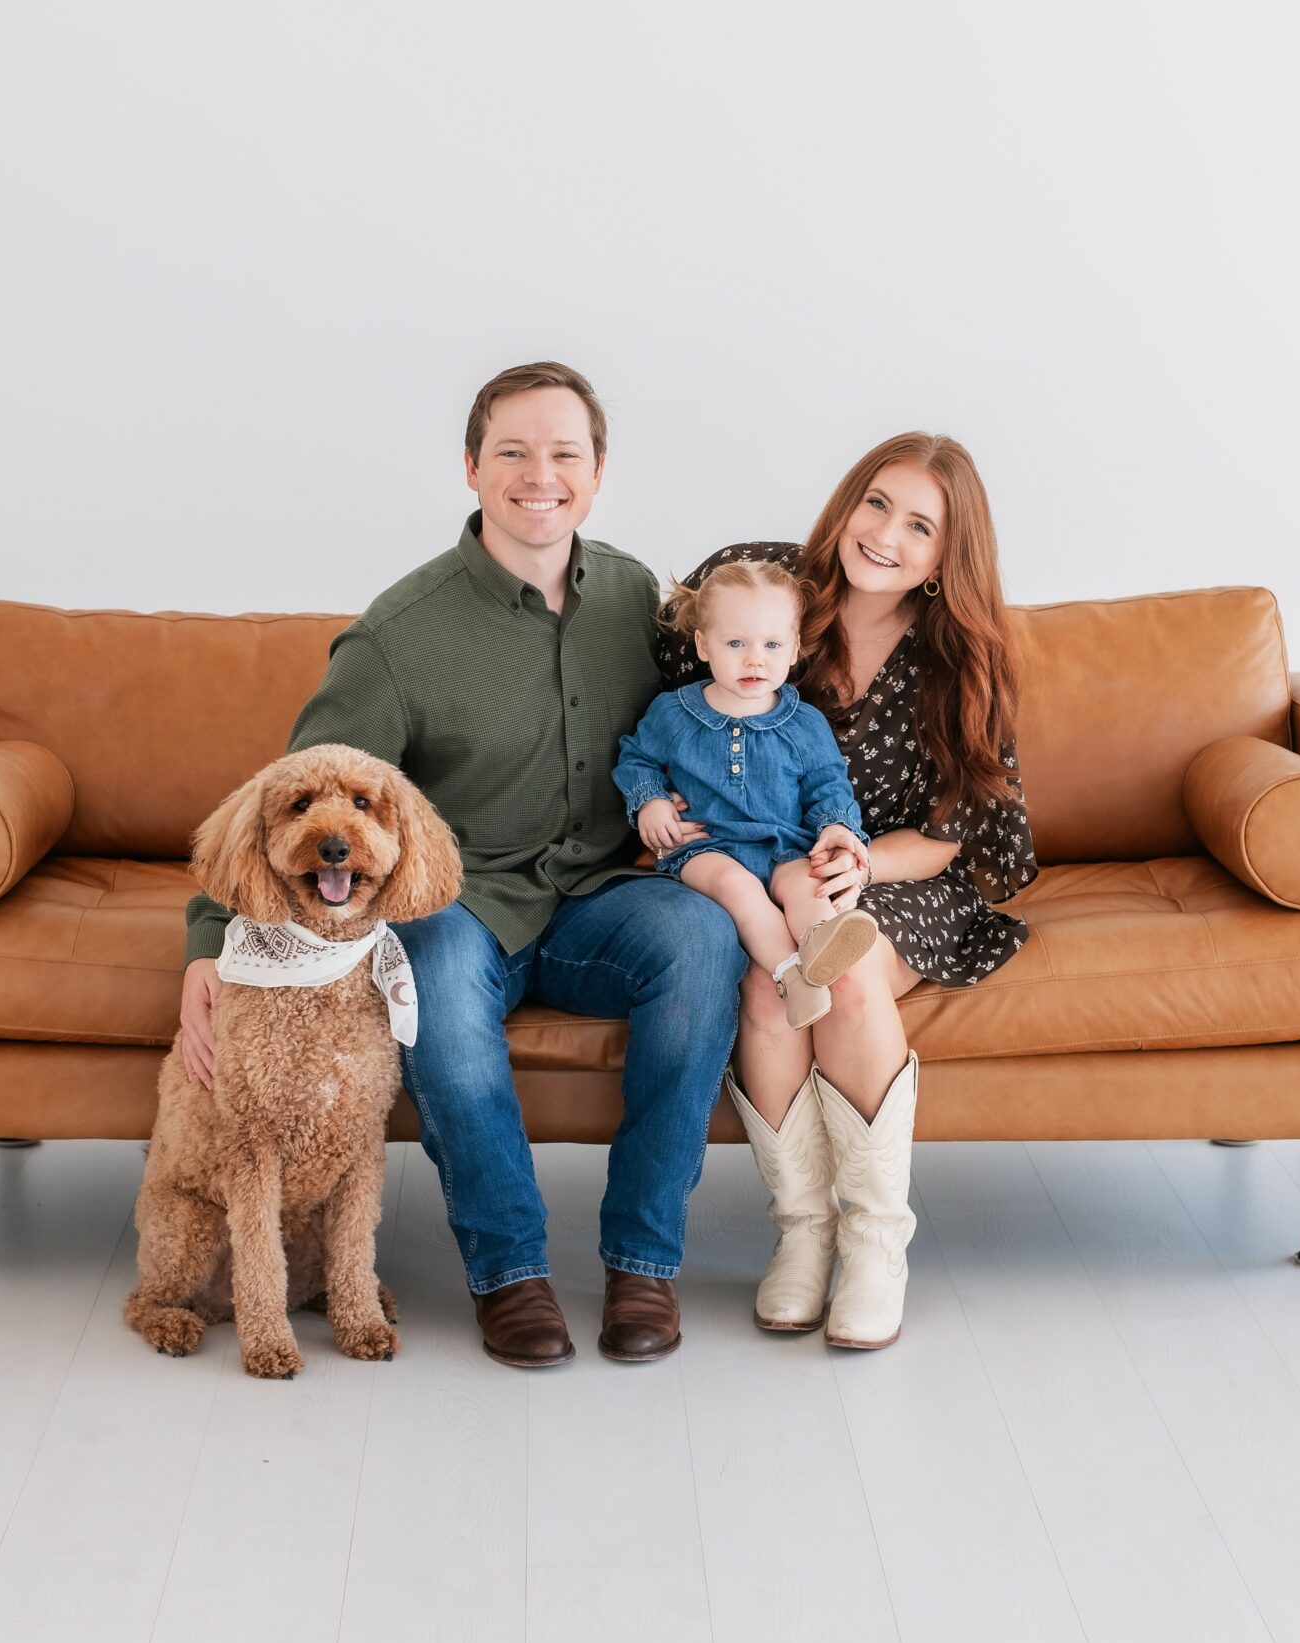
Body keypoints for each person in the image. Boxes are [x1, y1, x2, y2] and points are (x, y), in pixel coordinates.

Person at [176, 361, 746, 1370]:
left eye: (565, 453)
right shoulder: (398, 635)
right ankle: (509, 1270)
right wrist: (210, 945)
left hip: (605, 895)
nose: (540, 475)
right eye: (513, 451)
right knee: (430, 967)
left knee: (704, 938)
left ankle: (643, 1261)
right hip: (465, 904)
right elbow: (294, 797)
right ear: (473, 468)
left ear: (599, 471)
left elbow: (738, 678)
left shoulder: (635, 596)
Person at [657, 433, 1036, 1349]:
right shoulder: (762, 586)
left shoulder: (961, 657)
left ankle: (874, 1245)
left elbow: (947, 836)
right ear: (847, 501)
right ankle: (803, 1233)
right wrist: (658, 803)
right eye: (877, 503)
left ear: (947, 558)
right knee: (769, 987)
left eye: (920, 527)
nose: (886, 535)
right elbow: (661, 713)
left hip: (895, 875)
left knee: (848, 973)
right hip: (757, 870)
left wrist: (860, 864)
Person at [612, 556, 879, 1031]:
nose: (755, 659)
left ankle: (822, 939)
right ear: (703, 645)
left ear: (794, 649)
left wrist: (836, 825)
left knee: (808, 883)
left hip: (783, 846)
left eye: (771, 644)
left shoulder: (805, 723)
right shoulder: (674, 713)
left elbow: (828, 785)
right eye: (736, 643)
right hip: (706, 848)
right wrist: (650, 799)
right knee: (738, 889)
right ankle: (790, 975)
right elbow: (635, 758)